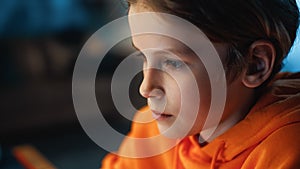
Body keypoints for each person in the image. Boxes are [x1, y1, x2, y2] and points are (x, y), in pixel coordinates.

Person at [101, 0, 300, 168]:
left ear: (254, 64)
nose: (145, 88)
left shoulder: (285, 151)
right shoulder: (151, 131)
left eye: (173, 62)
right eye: (143, 56)